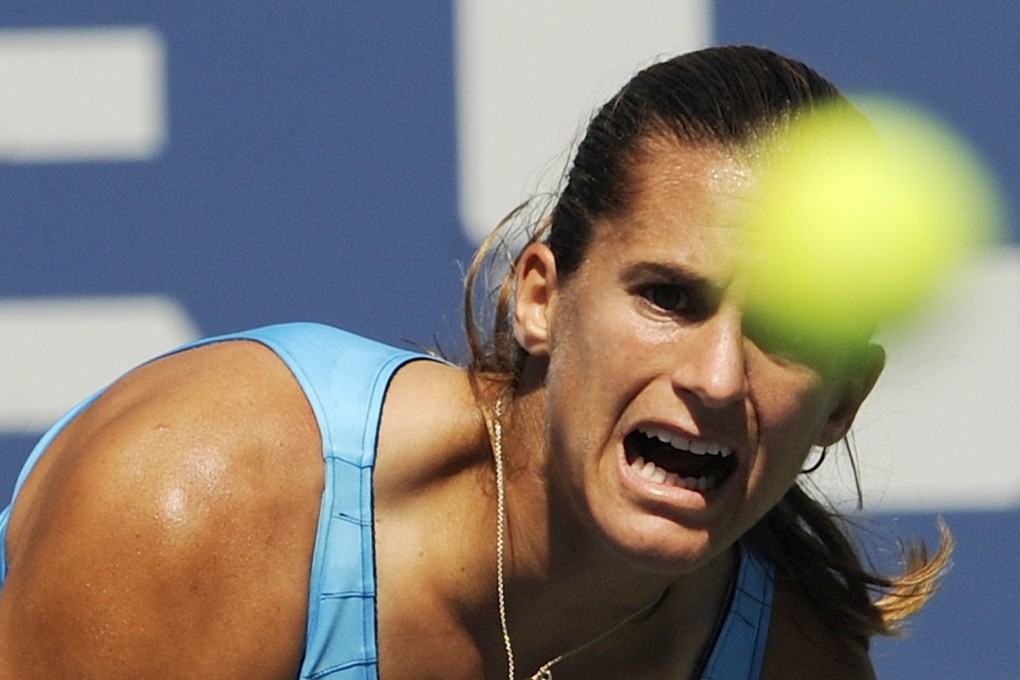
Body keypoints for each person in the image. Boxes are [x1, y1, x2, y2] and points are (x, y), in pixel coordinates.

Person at [0, 45, 950, 680]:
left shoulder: (794, 658)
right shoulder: (197, 500)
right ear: (540, 296)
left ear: (841, 403)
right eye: (668, 297)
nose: (715, 378)